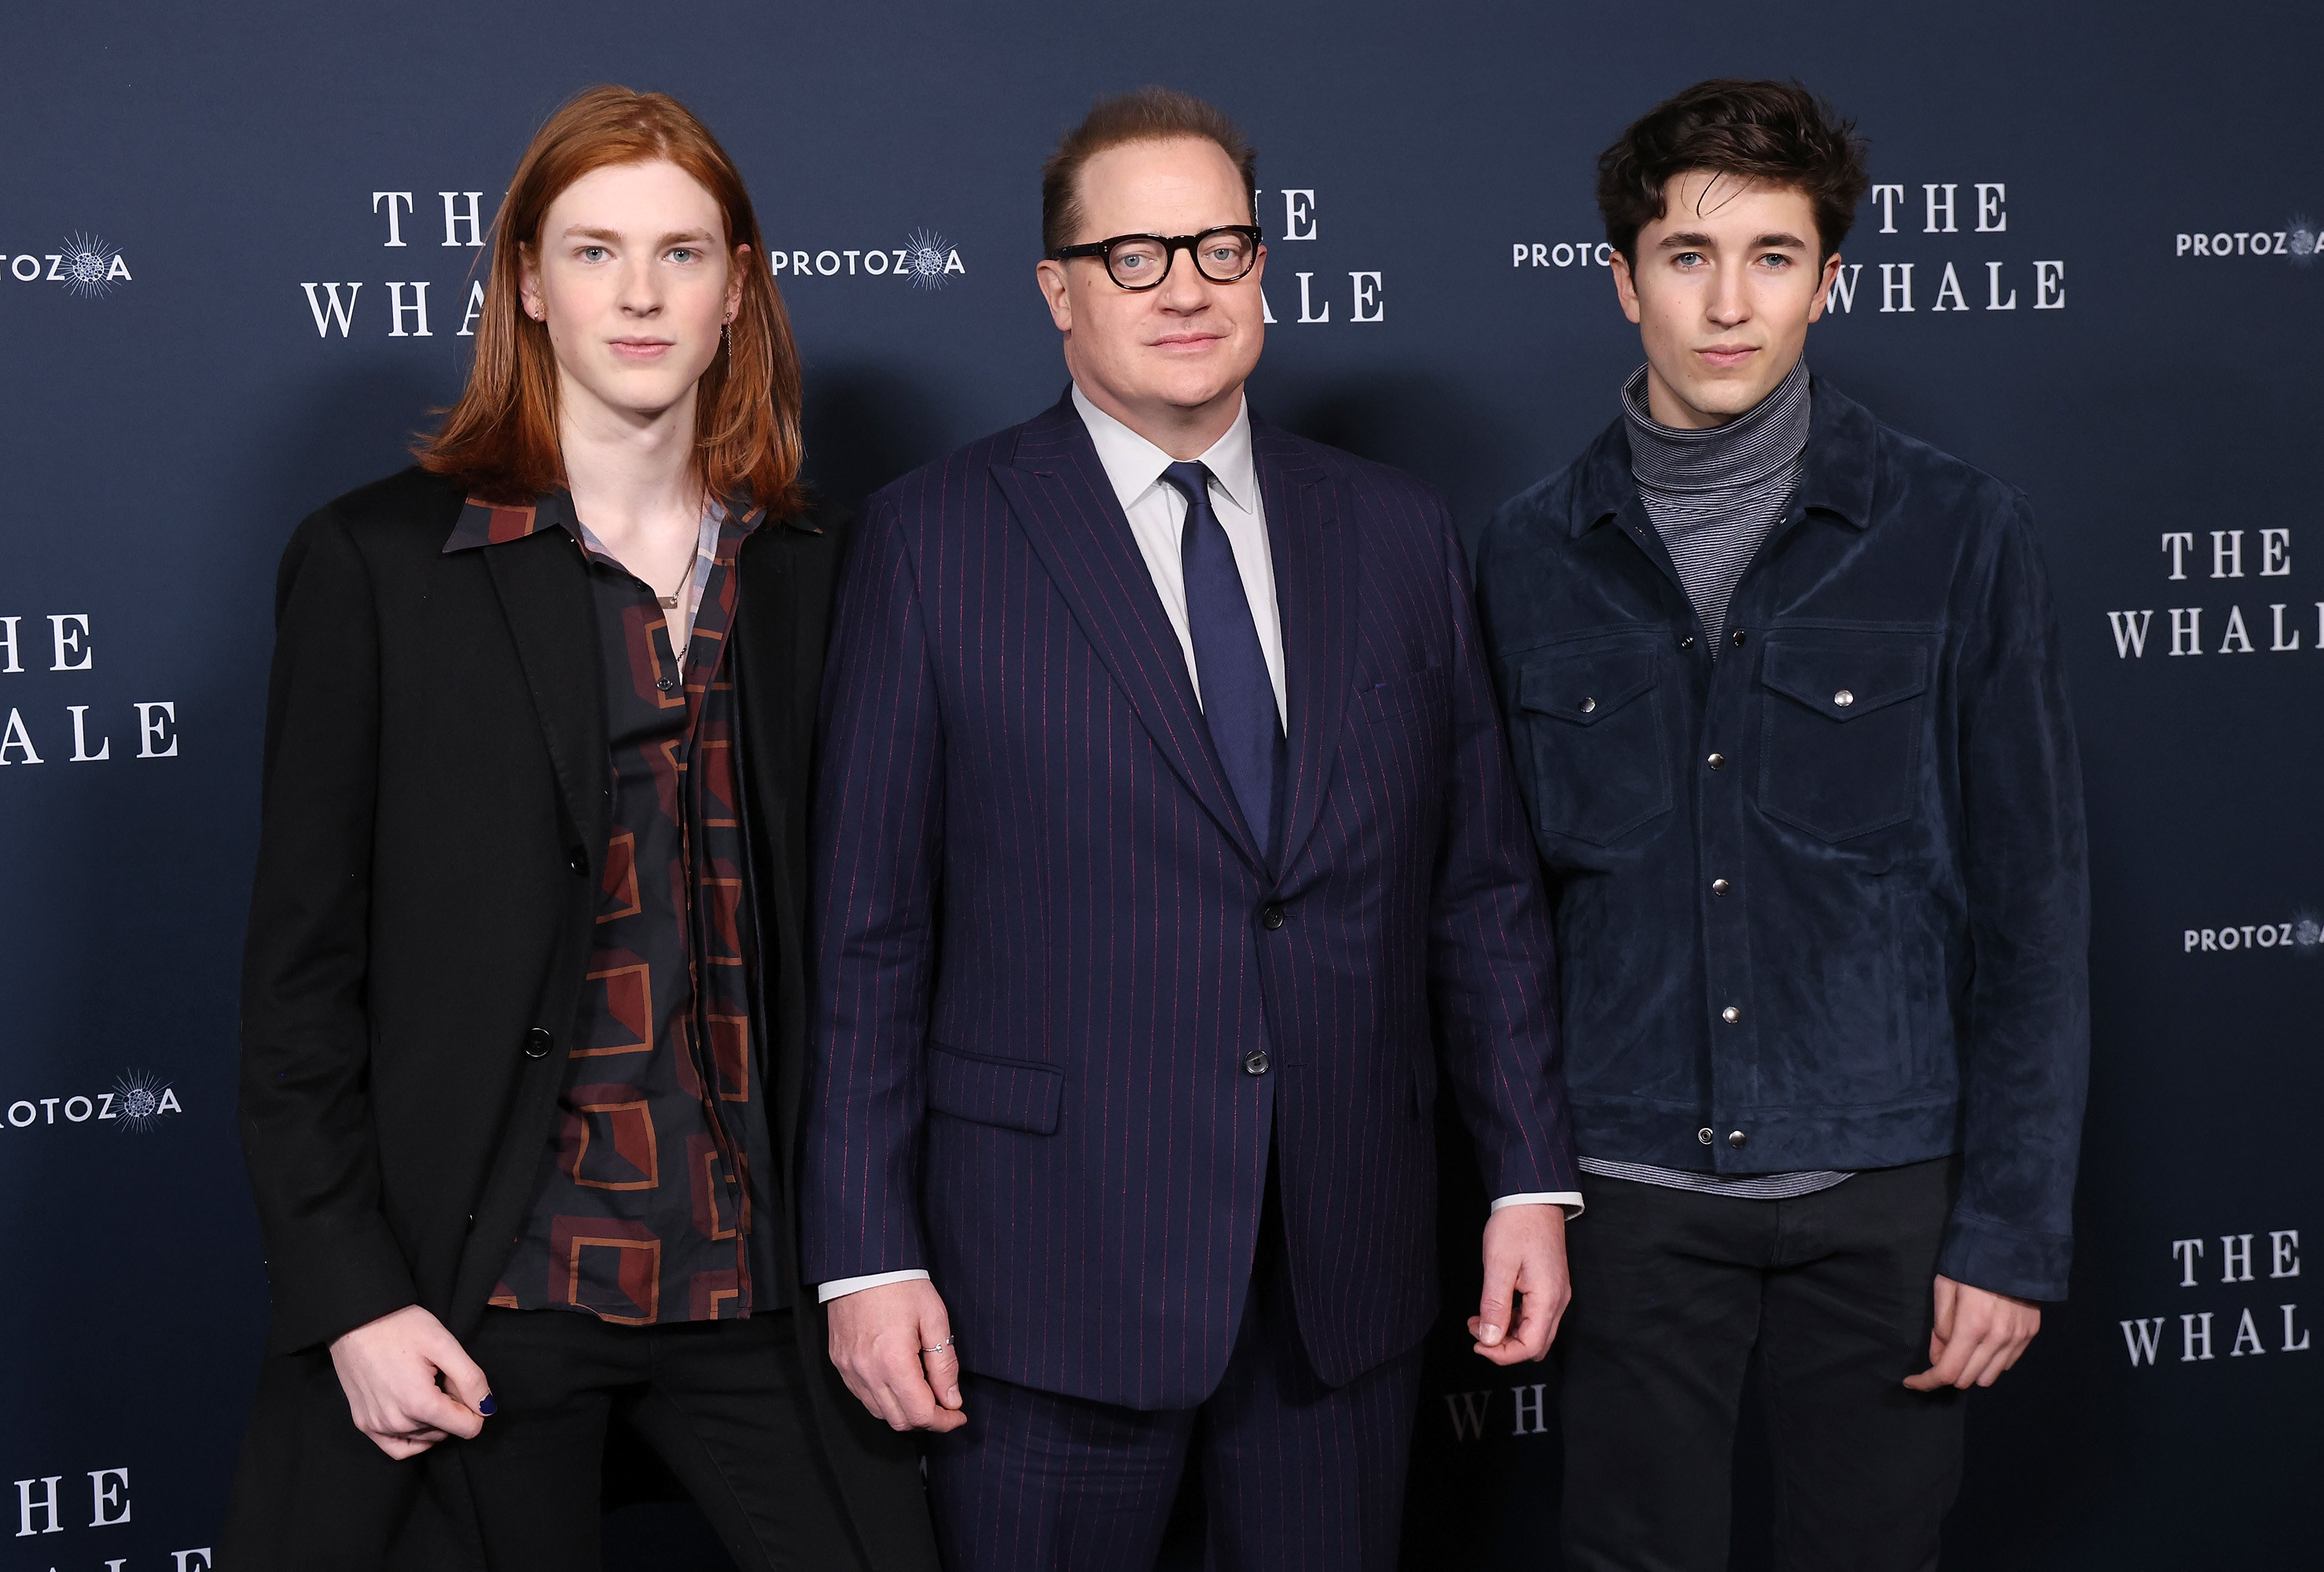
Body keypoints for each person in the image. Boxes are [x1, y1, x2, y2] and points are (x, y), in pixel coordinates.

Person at [800, 86, 1583, 1572]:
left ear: (1265, 274)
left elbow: (1478, 889)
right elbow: (869, 931)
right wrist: (866, 1250)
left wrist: (1527, 1176)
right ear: (1059, 290)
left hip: (1339, 1275)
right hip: (1040, 1276)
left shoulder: (1396, 530)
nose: (1187, 289)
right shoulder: (931, 539)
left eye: (1222, 249)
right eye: (1138, 255)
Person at [222, 85, 936, 1572]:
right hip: (493, 1286)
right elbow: (300, 981)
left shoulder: (824, 567)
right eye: (596, 251)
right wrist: (353, 1295)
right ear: (527, 285)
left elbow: (881, 938)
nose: (640, 293)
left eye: (682, 253)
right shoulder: (381, 568)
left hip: (765, 1273)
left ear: (738, 288)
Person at [1479, 79, 2090, 1570]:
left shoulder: (1958, 531)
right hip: (1627, 1199)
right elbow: (1492, 912)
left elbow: (2036, 905)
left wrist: (2007, 1232)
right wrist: (1527, 1184)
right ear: (1623, 281)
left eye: (1772, 256)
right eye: (1688, 256)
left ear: (1830, 279)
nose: (1729, 302)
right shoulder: (1525, 556)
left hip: (1884, 1192)